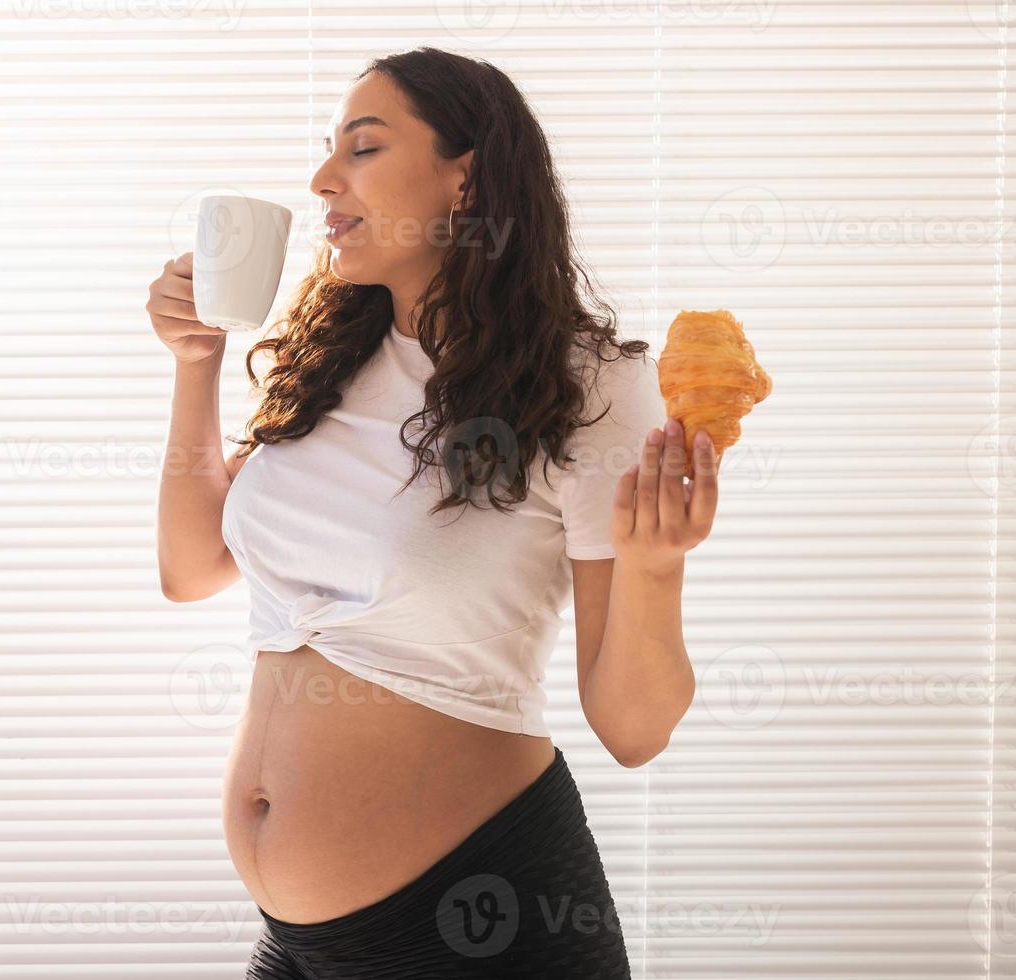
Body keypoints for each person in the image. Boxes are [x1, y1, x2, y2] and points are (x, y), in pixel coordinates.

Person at [150, 45, 718, 979]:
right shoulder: (329, 362)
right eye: (329, 149)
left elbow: (632, 730)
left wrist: (657, 569)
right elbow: (191, 568)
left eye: (363, 149)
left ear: (469, 177)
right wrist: (197, 362)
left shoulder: (591, 389)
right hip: (297, 944)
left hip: (479, 924)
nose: (324, 178)